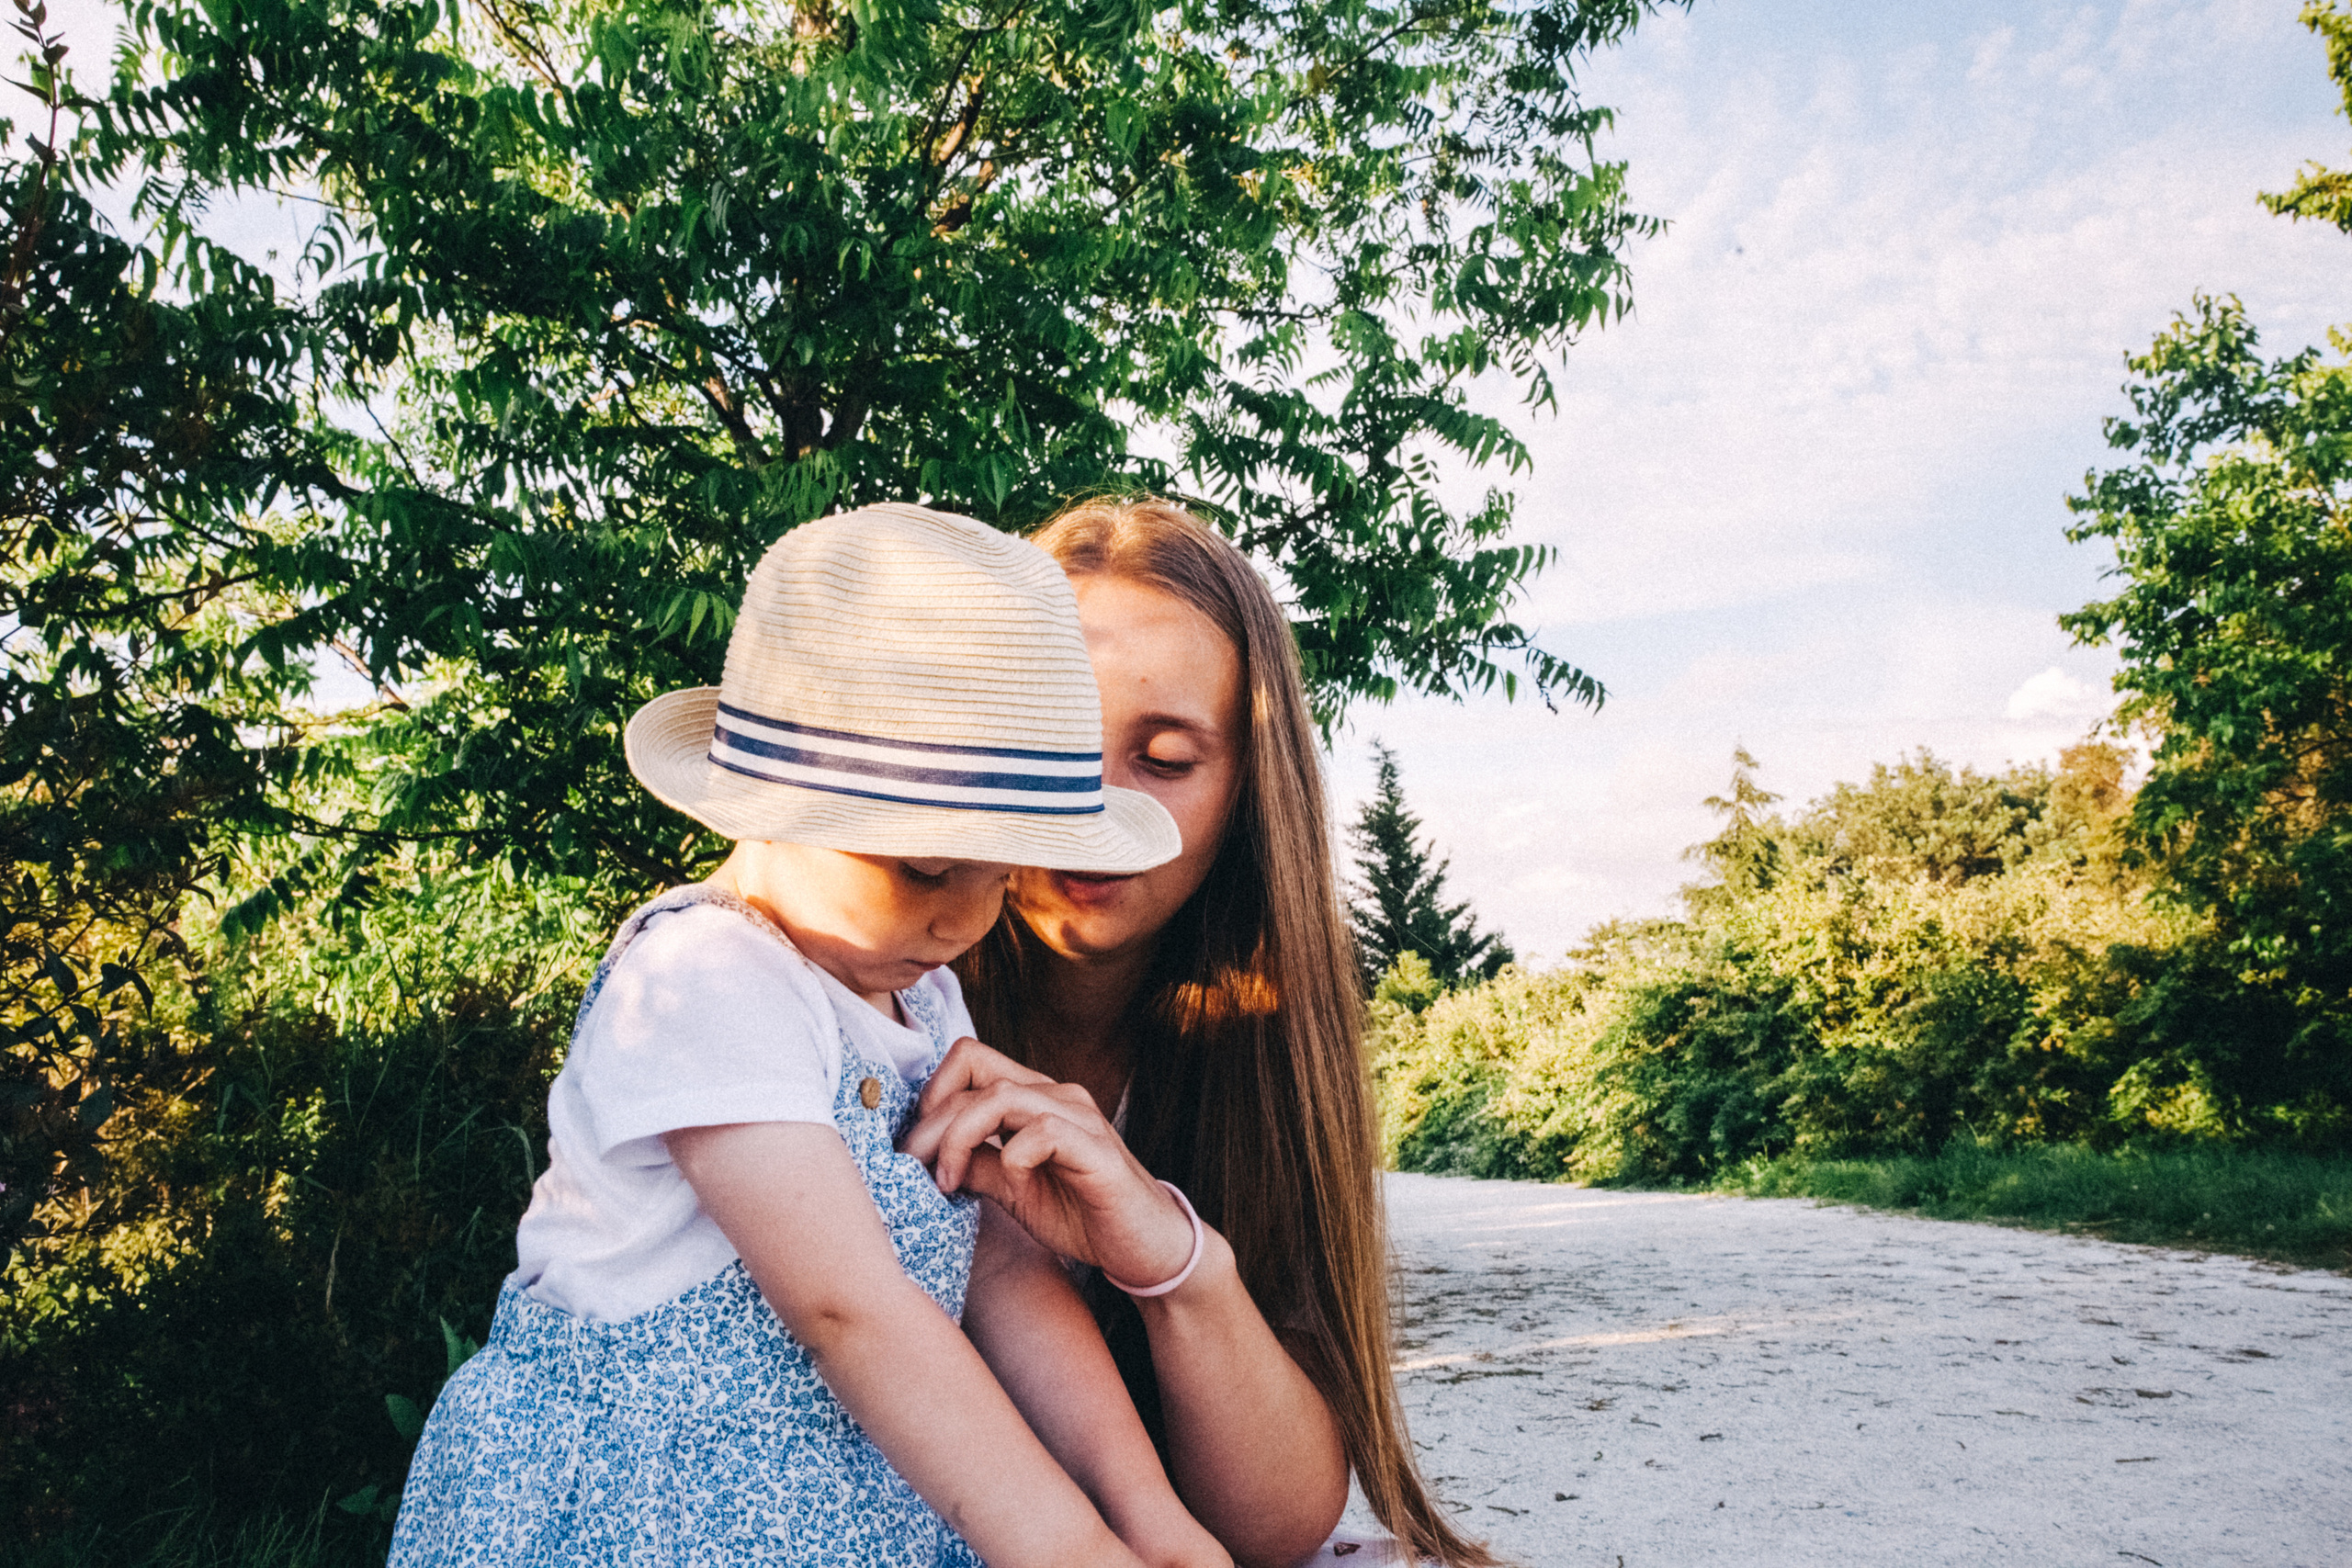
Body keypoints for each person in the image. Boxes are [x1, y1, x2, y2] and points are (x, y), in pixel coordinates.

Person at [390, 503, 1230, 1568]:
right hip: (649, 1511)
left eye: (1001, 875)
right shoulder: (709, 976)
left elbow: (1000, 1273)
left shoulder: (923, 999)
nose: (966, 922)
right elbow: (847, 1309)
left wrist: (1146, 1517)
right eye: (927, 868)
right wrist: (1073, 1553)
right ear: (771, 802)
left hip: (841, 1505)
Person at [909, 496, 1500, 1568]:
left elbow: (1276, 1527)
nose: (1094, 808)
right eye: (1051, 744)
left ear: (1246, 793)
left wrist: (1173, 1261)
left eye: (1167, 759)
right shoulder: (864, 996)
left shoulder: (1263, 1051)